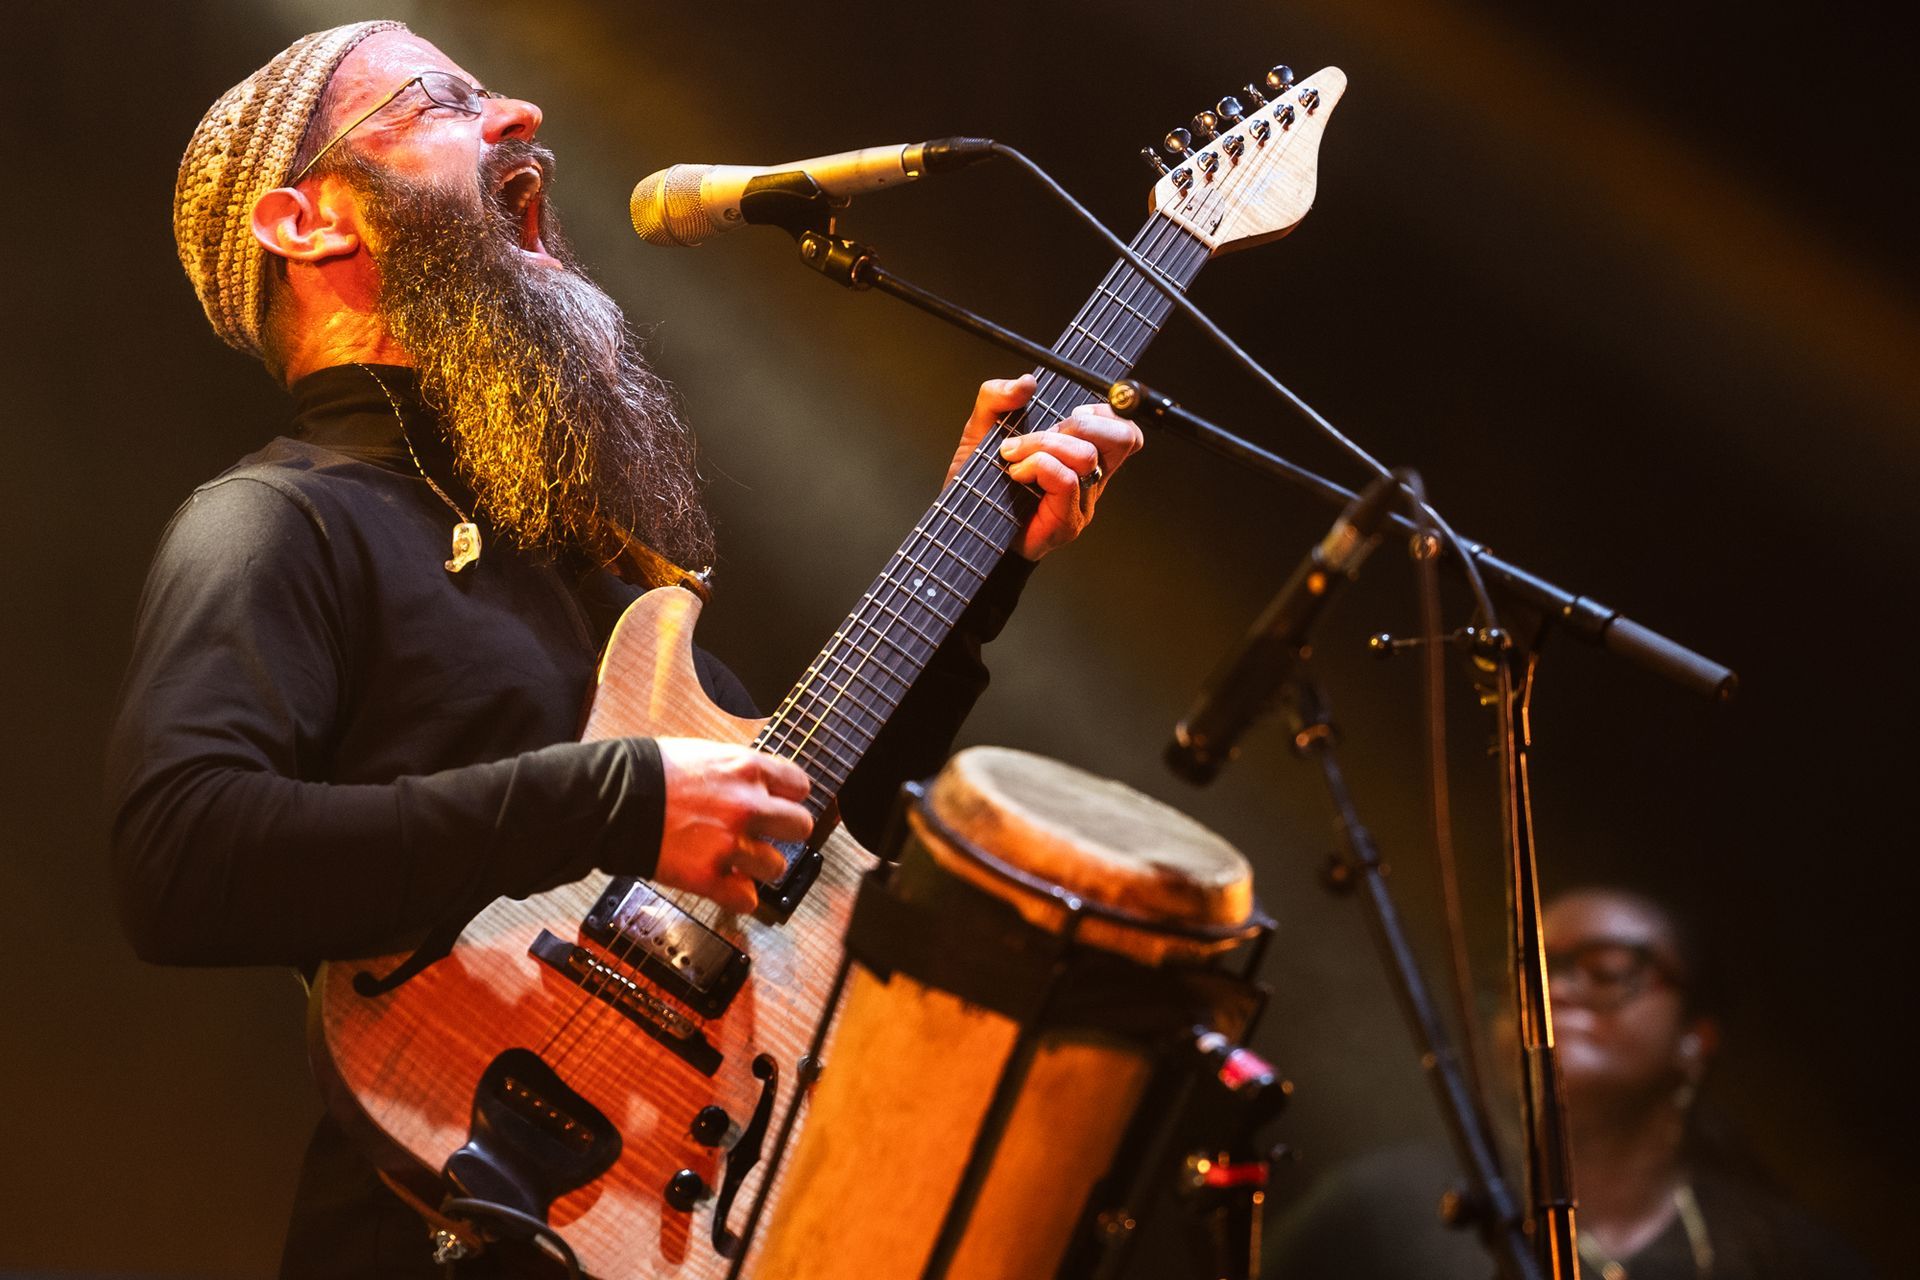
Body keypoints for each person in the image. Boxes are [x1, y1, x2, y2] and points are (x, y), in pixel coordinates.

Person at [106, 20, 1141, 1276]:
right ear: (307, 222)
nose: (521, 114)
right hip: (442, 1226)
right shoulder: (278, 519)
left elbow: (790, 846)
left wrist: (982, 563)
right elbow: (182, 852)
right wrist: (618, 797)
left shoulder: (587, 563)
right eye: (441, 100)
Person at [1262, 887, 1874, 1280]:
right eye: (1526, 976)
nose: (1553, 991)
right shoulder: (1379, 1212)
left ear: (1696, 1039)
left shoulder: (1788, 1256)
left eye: (1607, 972)